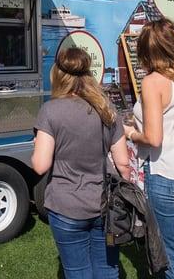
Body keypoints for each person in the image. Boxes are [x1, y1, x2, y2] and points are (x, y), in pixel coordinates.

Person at [32, 47, 131, 279]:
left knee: (77, 273)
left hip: (66, 206)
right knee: (107, 269)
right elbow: (123, 163)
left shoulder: (49, 111)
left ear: (57, 74)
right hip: (104, 204)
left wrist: (37, 144)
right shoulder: (107, 109)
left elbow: (40, 165)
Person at [123, 17, 174, 279]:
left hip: (166, 173)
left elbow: (154, 138)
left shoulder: (152, 82)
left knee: (169, 253)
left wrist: (131, 133)